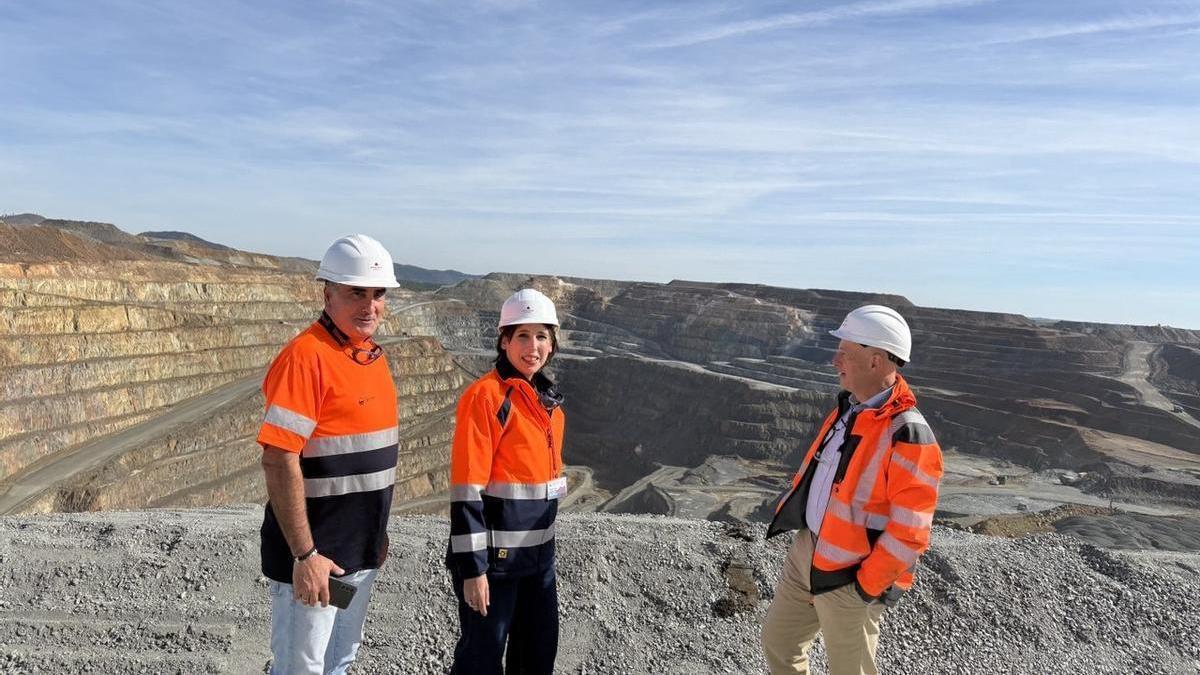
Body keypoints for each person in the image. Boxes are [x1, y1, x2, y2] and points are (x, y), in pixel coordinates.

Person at [761, 305, 943, 675]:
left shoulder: (908, 433)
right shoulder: (849, 409)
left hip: (852, 574)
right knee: (779, 645)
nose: (834, 360)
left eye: (845, 352)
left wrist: (864, 586)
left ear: (875, 361)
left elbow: (911, 532)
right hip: (808, 553)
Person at [256, 234, 402, 674]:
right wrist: (305, 557)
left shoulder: (370, 358)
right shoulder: (306, 357)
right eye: (356, 292)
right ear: (328, 294)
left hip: (359, 553)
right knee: (302, 668)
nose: (370, 305)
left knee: (340, 660)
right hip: (317, 559)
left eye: (378, 294)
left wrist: (374, 535)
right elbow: (278, 457)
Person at [447, 288, 566, 675]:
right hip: (494, 567)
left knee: (537, 657)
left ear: (552, 343)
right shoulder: (486, 398)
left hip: (537, 563)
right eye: (522, 336)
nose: (533, 347)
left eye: (542, 336)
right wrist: (473, 571)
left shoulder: (549, 406)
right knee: (480, 661)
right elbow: (468, 489)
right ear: (504, 341)